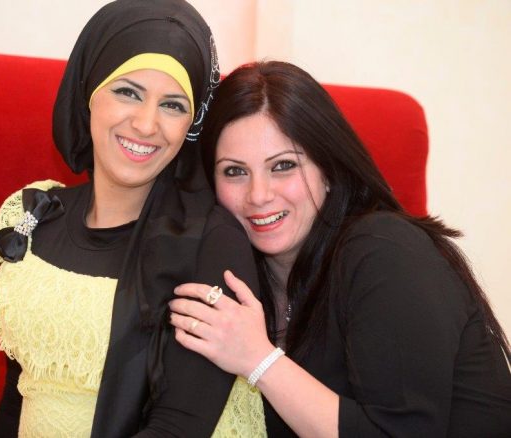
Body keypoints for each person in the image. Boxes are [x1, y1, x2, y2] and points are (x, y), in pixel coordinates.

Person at [169, 61, 511, 437]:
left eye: (283, 166)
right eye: (235, 171)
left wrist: (258, 359)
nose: (259, 195)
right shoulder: (242, 272)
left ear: (328, 170)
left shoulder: (385, 252)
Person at [0, 1, 266, 436]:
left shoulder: (212, 242)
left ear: (193, 123)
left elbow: (180, 425)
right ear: (89, 91)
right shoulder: (35, 213)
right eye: (128, 92)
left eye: (173, 105)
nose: (147, 125)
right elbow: (16, 396)